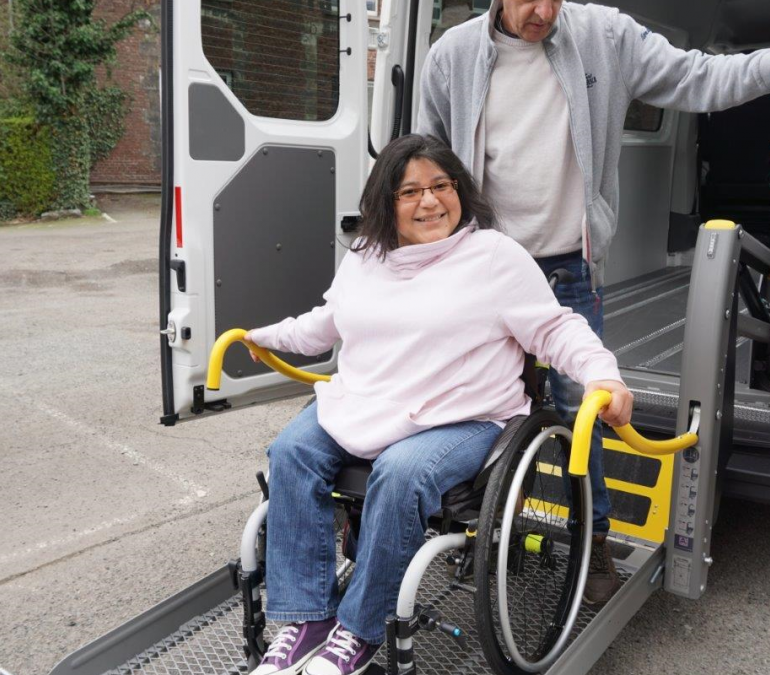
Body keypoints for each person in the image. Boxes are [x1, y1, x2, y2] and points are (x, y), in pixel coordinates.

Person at [416, 0, 770, 603]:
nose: (542, 11)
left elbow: (698, 75)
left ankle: (593, 543)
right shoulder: (451, 57)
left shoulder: (606, 36)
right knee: (473, 413)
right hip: (481, 272)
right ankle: (484, 533)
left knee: (584, 418)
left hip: (566, 269)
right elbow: (425, 167)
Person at [244, 134, 632, 675]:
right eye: (410, 192)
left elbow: (556, 328)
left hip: (462, 414)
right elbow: (326, 322)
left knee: (400, 474)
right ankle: (308, 619)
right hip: (369, 398)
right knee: (291, 452)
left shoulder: (494, 257)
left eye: (440, 186)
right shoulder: (367, 255)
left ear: (459, 191)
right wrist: (263, 336)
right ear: (386, 202)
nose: (429, 202)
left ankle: (357, 632)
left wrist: (602, 376)